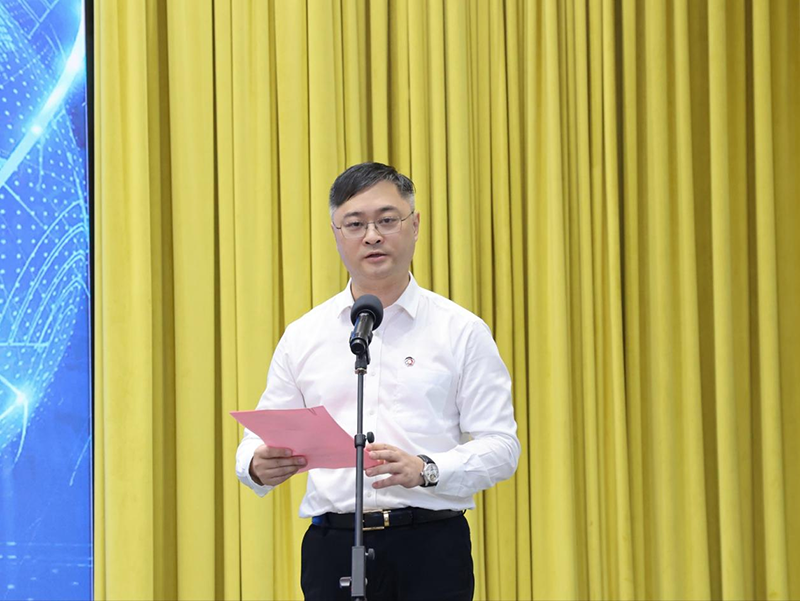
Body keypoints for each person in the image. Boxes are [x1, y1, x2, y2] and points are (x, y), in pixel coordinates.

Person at [235, 162, 520, 600]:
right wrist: (256, 464)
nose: (372, 236)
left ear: (415, 225)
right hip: (332, 545)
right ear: (336, 234)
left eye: (387, 220)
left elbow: (502, 447)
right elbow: (257, 439)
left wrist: (427, 469)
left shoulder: (460, 330)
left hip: (430, 545)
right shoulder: (304, 336)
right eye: (355, 224)